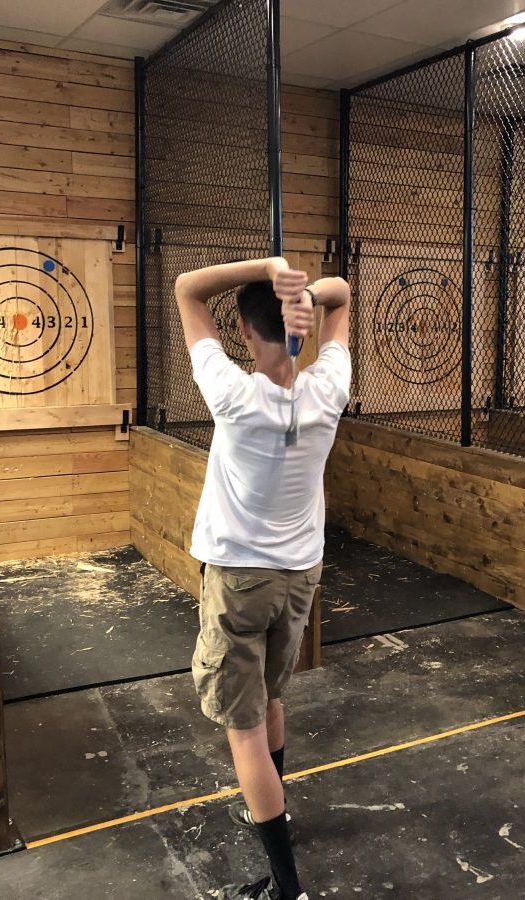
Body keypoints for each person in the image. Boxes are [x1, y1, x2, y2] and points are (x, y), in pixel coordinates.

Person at [175, 257, 351, 900]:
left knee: (242, 726)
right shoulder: (328, 384)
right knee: (271, 698)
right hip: (299, 576)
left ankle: (286, 889)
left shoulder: (232, 393)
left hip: (241, 582)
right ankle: (271, 807)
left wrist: (266, 268)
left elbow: (188, 289)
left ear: (246, 336)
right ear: (302, 327)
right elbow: (344, 295)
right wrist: (305, 293)